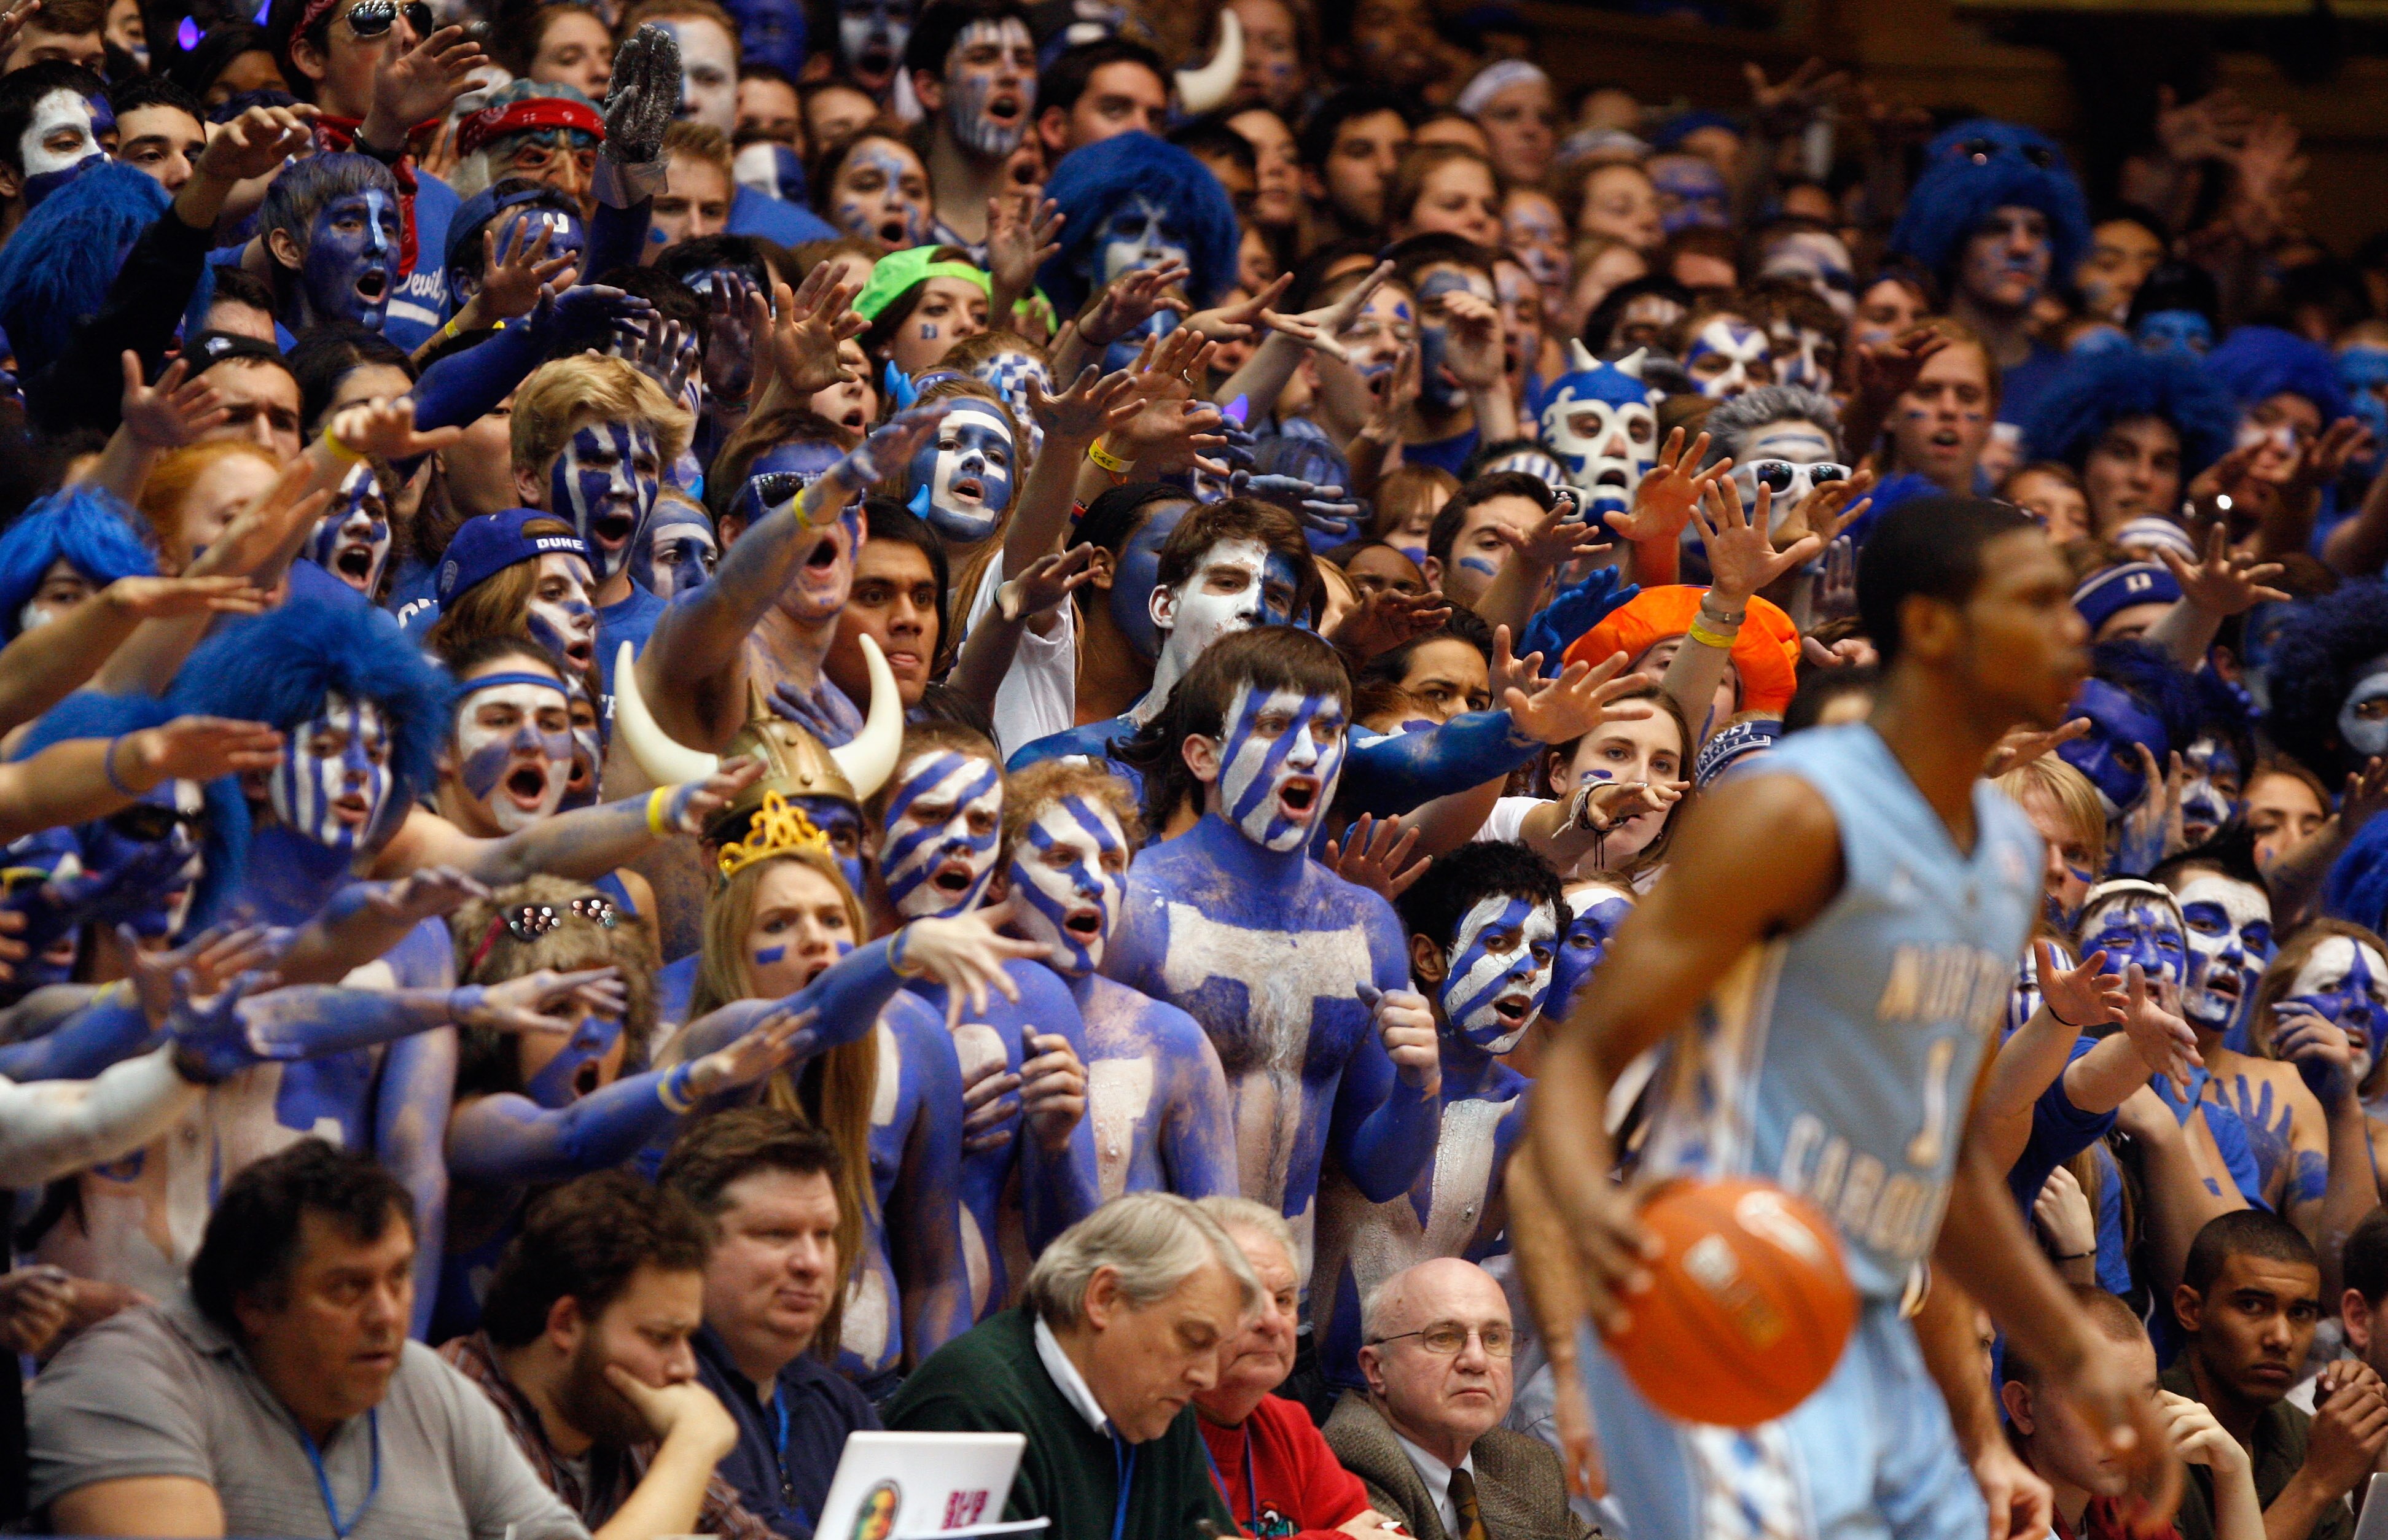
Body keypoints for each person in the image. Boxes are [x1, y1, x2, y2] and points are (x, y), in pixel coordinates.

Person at [1513, 494, 2177, 1539]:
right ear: (1932, 631)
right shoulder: (1784, 820)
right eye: (2033, 602)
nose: (2068, 630)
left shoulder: (2003, 863)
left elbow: (1936, 1172)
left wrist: (2036, 1380)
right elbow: (1575, 1075)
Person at [27, 1138, 590, 1539]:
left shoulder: (428, 1387)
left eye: (399, 1277)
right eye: (347, 1288)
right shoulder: (128, 1378)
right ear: (251, 1302)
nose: (386, 1316)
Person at [883, 1192, 1257, 1540]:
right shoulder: (969, 1406)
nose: (1207, 1379)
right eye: (1194, 1339)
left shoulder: (1158, 1407)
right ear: (1105, 1297)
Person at [441, 1172, 770, 1540]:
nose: (686, 1367)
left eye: (687, 1338)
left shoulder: (624, 1418)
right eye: (661, 1337)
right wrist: (692, 1447)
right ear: (566, 1323)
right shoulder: (449, 1416)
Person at [660, 1108, 883, 1540]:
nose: (811, 1264)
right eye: (776, 1234)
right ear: (690, 1247)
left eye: (824, 1235)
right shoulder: (667, 1390)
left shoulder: (838, 1404)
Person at [1322, 1258, 1593, 1540]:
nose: (1477, 1360)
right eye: (1444, 1338)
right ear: (1376, 1369)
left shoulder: (1528, 1463)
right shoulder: (1352, 1466)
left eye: (1494, 1339)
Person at [2163, 1211, 2384, 1540]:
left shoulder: (2297, 1431)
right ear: (2191, 1310)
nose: (2281, 1338)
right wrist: (2315, 1483)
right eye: (2252, 1305)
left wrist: (2367, 1444)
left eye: (2299, 1313)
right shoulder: (2146, 1432)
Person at [1191, 1197, 1401, 1540]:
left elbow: (1384, 1533)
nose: (1273, 1322)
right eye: (1245, 1297)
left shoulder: (1289, 1426)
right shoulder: (1150, 1428)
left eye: (1284, 1299)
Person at [2002, 1287, 2263, 1540]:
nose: (2129, 1434)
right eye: (2099, 1403)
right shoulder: (1985, 1516)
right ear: (2024, 1408)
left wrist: (2233, 1473)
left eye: (2142, 1400)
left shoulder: (2116, 1508)